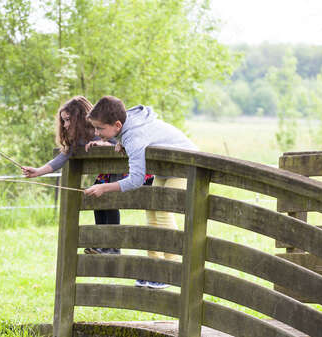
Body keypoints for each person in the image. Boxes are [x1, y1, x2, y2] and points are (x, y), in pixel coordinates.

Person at [84, 96, 198, 289]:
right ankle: (155, 269)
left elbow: (136, 178)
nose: (96, 133)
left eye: (100, 128)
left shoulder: (133, 135)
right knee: (152, 211)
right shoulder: (128, 126)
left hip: (188, 166)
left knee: (162, 212)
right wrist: (119, 141)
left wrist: (104, 187)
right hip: (168, 167)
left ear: (117, 124)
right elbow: (131, 137)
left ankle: (168, 269)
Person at [22, 96, 121, 255]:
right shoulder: (78, 139)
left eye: (68, 120)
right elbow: (62, 157)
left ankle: (113, 247)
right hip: (107, 175)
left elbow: (119, 144)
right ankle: (101, 244)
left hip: (124, 172)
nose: (66, 125)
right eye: (63, 121)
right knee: (98, 203)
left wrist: (104, 144)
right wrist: (38, 171)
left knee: (109, 204)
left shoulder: (99, 129)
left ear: (80, 118)